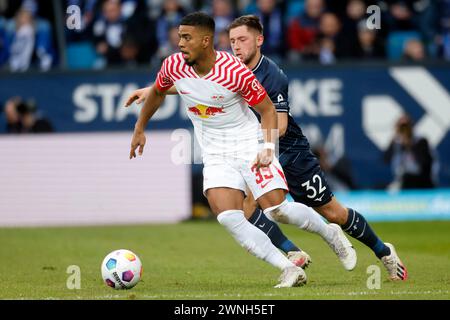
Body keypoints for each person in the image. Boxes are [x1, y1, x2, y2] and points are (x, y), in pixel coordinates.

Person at [127, 14, 408, 281]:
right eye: (232, 40)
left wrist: (265, 148)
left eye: (243, 40)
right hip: (243, 148)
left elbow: (279, 124)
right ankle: (291, 255)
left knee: (331, 212)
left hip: (287, 149)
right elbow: (198, 84)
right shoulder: (211, 67)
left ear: (259, 41)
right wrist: (153, 90)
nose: (237, 46)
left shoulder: (269, 74)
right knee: (241, 208)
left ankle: (383, 251)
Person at [384, 114, 436, 190]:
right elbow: (385, 159)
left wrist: (410, 145)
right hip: (402, 180)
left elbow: (425, 162)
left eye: (406, 126)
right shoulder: (396, 142)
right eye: (401, 127)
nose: (404, 130)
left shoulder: (420, 141)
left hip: (422, 181)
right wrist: (394, 141)